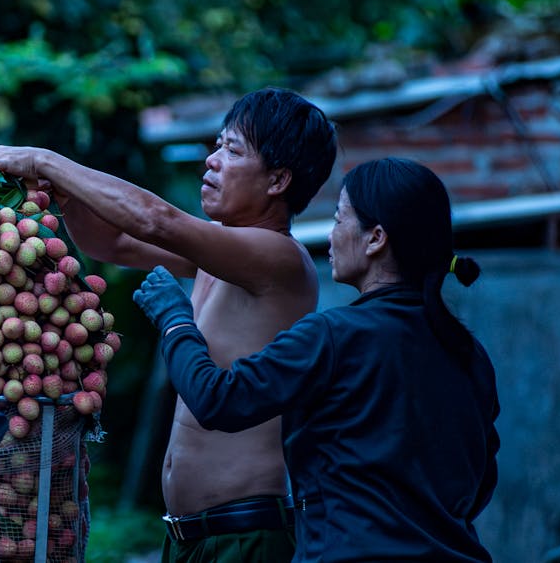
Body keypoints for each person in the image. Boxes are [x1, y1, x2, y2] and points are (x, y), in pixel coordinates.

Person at [0, 87, 339, 562]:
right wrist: (66, 197)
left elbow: (156, 220)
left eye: (232, 150)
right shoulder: (223, 252)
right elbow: (113, 244)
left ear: (277, 180)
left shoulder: (280, 257)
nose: (212, 161)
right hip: (190, 534)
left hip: (245, 534)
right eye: (217, 145)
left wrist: (45, 162)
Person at [132, 157, 500, 562]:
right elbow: (481, 481)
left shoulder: (335, 337)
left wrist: (175, 319)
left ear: (376, 238)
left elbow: (217, 400)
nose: (331, 235)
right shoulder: (470, 354)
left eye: (340, 219)